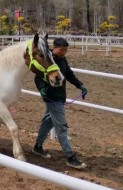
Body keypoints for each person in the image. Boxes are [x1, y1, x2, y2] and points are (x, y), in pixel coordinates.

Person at [33, 37, 88, 169]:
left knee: (48, 121)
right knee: (61, 127)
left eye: (66, 50)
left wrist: (80, 85)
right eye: (62, 50)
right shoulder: (48, 59)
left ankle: (37, 146)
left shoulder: (62, 59)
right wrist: (41, 88)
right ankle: (70, 157)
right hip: (52, 96)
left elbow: (68, 74)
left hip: (60, 95)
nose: (64, 52)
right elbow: (38, 77)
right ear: (55, 47)